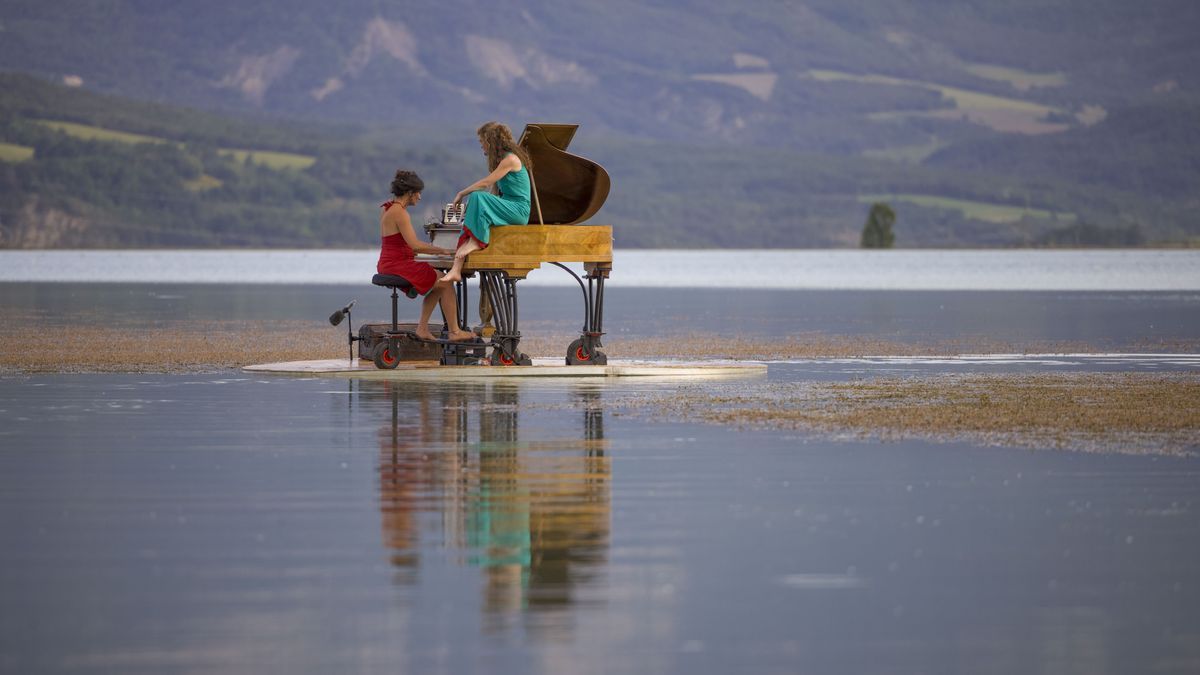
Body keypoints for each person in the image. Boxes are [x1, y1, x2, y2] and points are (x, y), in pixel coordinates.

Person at [378, 169, 475, 342]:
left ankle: (424, 328)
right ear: (409, 193)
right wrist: (442, 250)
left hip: (390, 262)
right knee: (445, 282)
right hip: (397, 264)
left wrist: (433, 255)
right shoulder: (399, 212)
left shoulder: (388, 208)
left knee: (439, 280)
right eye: (418, 193)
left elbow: (402, 246)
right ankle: (454, 331)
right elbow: (415, 246)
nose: (419, 197)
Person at [440, 121, 532, 283]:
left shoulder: (510, 159)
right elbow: (494, 192)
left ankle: (476, 241)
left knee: (476, 196)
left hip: (519, 210)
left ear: (490, 141)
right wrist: (474, 212)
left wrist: (462, 193)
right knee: (477, 204)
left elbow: (486, 183)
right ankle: (456, 269)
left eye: (482, 141)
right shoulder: (501, 161)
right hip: (508, 206)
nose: (481, 145)